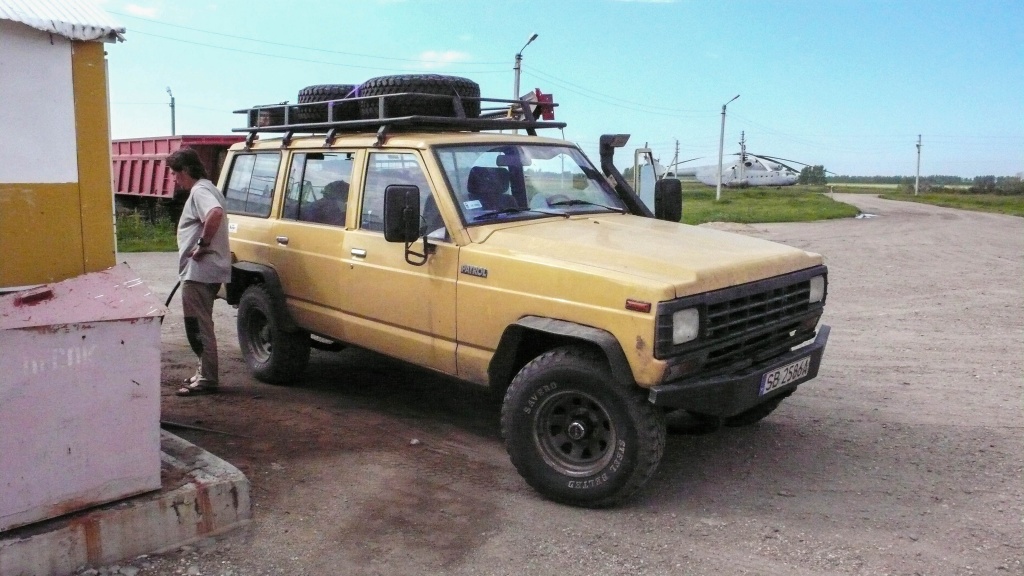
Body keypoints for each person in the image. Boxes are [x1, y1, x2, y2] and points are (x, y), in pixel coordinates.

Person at [168, 148, 231, 396]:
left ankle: (207, 379)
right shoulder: (208, 187)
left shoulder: (200, 190)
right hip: (201, 271)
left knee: (198, 325)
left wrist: (202, 245)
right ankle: (203, 373)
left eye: (175, 174)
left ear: (185, 170)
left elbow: (214, 213)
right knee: (200, 323)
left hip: (200, 272)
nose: (175, 180)